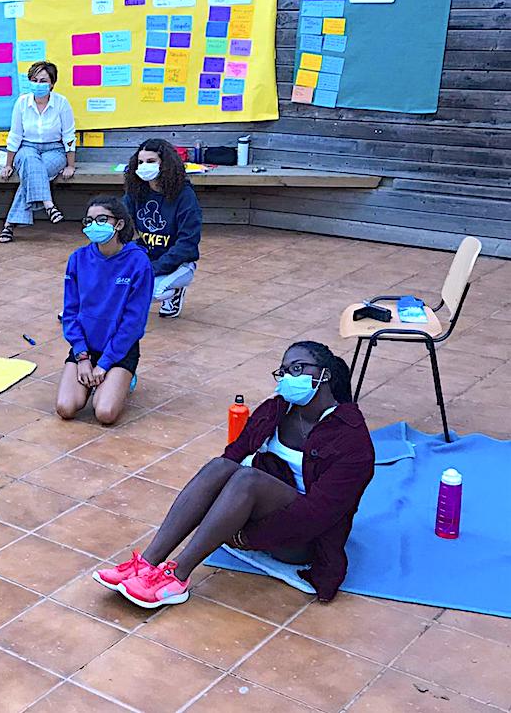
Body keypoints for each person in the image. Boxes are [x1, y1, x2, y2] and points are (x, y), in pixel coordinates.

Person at [93, 341, 373, 608]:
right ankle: (148, 562)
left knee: (247, 478)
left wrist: (244, 537)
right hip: (255, 515)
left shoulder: (351, 438)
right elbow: (232, 457)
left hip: (302, 541)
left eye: (298, 368)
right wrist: (223, 517)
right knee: (222, 466)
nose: (288, 376)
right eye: (284, 371)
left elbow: (318, 516)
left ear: (325, 374)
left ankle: (177, 578)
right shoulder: (275, 410)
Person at [57, 196, 153, 426]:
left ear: (119, 224)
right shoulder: (78, 259)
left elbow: (134, 323)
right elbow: (70, 312)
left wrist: (105, 363)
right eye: (89, 221)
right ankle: (95, 380)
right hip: (86, 349)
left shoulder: (138, 262)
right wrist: (82, 357)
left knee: (105, 413)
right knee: (66, 408)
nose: (94, 225)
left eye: (102, 219)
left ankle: (122, 379)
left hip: (119, 350)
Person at [0, 60, 77, 243]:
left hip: (55, 150)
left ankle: (9, 225)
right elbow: (15, 135)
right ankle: (49, 205)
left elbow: (69, 135)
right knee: (29, 161)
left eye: (43, 81)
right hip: (27, 148)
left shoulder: (61, 103)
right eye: (34, 80)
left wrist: (71, 165)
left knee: (32, 173)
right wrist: (8, 164)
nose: (38, 84)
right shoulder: (22, 103)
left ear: (52, 84)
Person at [122, 139, 202, 318]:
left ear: (165, 164)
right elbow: (120, 220)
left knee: (152, 292)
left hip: (178, 263)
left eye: (151, 162)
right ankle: (84, 309)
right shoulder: (136, 191)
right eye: (140, 162)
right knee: (111, 279)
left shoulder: (184, 196)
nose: (144, 167)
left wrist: (153, 268)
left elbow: (187, 243)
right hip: (145, 255)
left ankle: (175, 292)